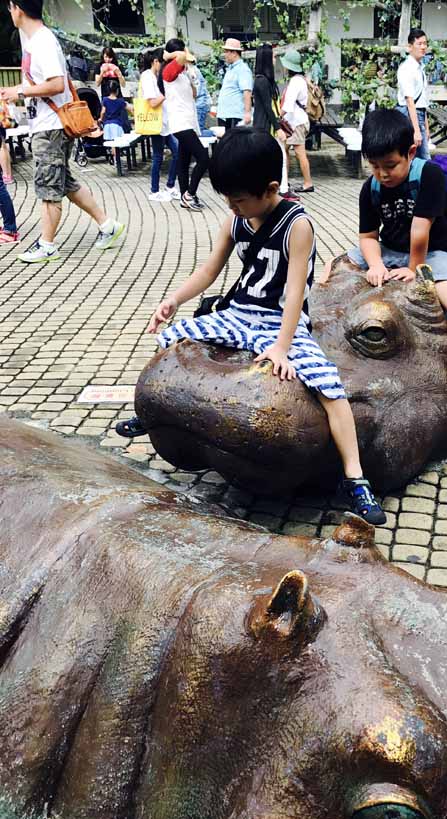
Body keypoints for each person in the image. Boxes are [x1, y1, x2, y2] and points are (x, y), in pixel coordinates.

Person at [115, 128, 387, 525]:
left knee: (330, 388)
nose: (233, 206)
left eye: (238, 200)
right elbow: (210, 270)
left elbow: (296, 293)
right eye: (228, 199)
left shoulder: (297, 226)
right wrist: (173, 300)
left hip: (281, 321)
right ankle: (154, 414)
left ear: (271, 188)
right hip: (240, 312)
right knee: (170, 338)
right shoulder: (235, 218)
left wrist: (281, 345)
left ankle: (355, 477)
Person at [345, 108, 447, 392]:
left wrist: (413, 270)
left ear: (411, 152)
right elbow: (368, 236)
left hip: (433, 250)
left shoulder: (429, 175)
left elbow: (420, 231)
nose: (382, 174)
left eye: (390, 165)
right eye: (374, 166)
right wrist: (374, 264)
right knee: (337, 264)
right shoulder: (370, 187)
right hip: (391, 247)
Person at [0, 0, 125, 264]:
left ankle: (47, 244)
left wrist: (18, 91)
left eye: (10, 7)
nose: (9, 12)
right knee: (65, 182)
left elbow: (56, 84)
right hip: (50, 125)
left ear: (18, 9)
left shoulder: (42, 41)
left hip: (51, 128)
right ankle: (107, 225)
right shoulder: (34, 39)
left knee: (48, 186)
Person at [161, 39, 209, 212]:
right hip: (180, 123)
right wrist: (170, 55)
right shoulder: (168, 71)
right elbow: (182, 55)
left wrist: (190, 75)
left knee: (183, 161)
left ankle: (184, 197)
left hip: (189, 121)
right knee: (204, 158)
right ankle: (190, 193)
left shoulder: (183, 73)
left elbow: (194, 94)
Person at [139, 48, 179, 202]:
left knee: (177, 153)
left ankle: (169, 186)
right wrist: (166, 93)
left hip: (165, 123)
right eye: (162, 63)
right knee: (158, 156)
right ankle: (154, 191)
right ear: (155, 62)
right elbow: (152, 102)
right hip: (156, 123)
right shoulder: (147, 76)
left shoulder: (157, 75)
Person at [252, 43, 292, 197]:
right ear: (267, 59)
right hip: (265, 127)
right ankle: (282, 190)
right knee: (277, 157)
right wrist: (278, 128)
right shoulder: (261, 81)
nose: (275, 59)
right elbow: (268, 108)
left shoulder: (266, 81)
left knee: (276, 157)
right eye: (273, 56)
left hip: (269, 126)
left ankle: (280, 189)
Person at [277, 49, 314, 193]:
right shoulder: (301, 79)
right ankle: (283, 181)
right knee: (284, 150)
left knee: (299, 152)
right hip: (296, 122)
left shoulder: (295, 82)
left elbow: (288, 105)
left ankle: (307, 183)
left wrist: (277, 116)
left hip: (296, 123)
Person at [396, 28, 431, 160]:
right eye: (419, 44)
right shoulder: (407, 68)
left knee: (415, 160)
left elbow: (422, 101)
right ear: (410, 47)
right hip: (410, 117)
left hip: (419, 116)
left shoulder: (420, 68)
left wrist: (426, 128)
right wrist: (417, 130)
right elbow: (410, 101)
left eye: (425, 43)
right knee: (423, 160)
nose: (423, 47)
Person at [217, 38, 252, 131]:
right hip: (226, 114)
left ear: (234, 53)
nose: (225, 55)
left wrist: (247, 112)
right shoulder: (230, 69)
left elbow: (247, 91)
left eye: (226, 52)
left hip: (235, 114)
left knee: (234, 143)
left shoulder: (242, 69)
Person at [100, 78, 132, 158]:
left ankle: (114, 158)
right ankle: (116, 160)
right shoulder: (120, 101)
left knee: (111, 143)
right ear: (117, 90)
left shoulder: (105, 100)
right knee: (116, 144)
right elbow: (130, 109)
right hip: (117, 125)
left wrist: (101, 119)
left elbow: (103, 111)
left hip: (107, 125)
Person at [190, 59, 213, 137]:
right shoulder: (192, 70)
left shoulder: (192, 71)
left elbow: (197, 92)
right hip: (199, 104)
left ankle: (215, 134)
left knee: (198, 132)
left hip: (199, 104)